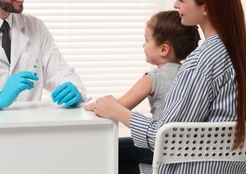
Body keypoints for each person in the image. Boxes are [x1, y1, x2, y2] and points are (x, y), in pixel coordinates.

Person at [89, 0, 246, 174]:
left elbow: (167, 137)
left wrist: (118, 111)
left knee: (103, 156)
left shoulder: (200, 62)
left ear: (206, 7)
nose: (176, 5)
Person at [85, 10, 200, 173]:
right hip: (184, 150)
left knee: (108, 151)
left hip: (159, 148)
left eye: (146, 40)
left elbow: (118, 107)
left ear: (163, 50)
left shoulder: (154, 77)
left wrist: (90, 106)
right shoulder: (190, 74)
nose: (143, 45)